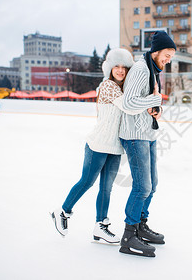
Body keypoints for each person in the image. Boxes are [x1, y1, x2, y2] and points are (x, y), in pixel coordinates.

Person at [50, 48, 142, 244]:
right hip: (98, 144)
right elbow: (128, 106)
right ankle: (63, 211)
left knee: (106, 188)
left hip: (115, 147)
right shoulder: (108, 86)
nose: (120, 70)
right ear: (109, 68)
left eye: (124, 67)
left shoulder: (123, 89)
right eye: (116, 66)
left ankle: (100, 226)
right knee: (87, 181)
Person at [118, 31, 176, 257]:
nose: (168, 59)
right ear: (157, 51)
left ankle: (141, 225)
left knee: (153, 184)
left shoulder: (153, 70)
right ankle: (129, 236)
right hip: (135, 135)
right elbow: (129, 103)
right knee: (142, 186)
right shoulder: (142, 69)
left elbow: (147, 102)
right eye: (167, 55)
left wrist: (157, 109)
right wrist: (155, 100)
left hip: (147, 133)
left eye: (171, 56)